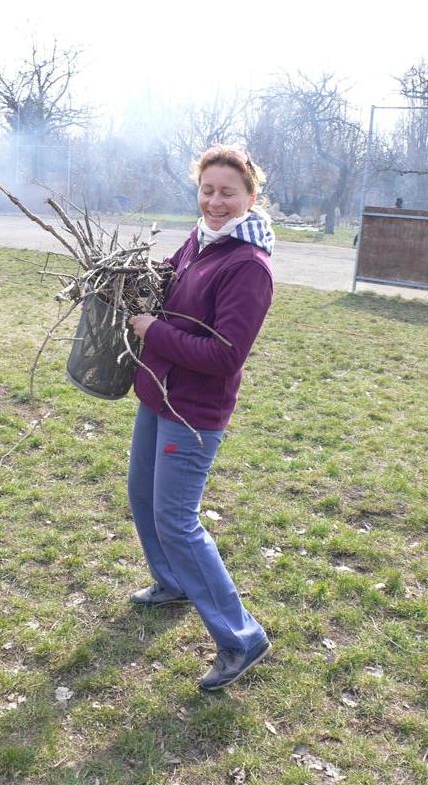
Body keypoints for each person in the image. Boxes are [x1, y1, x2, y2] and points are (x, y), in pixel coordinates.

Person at [127, 145, 274, 690]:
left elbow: (224, 355)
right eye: (207, 190)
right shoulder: (200, 241)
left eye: (227, 193)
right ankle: (172, 583)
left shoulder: (248, 265)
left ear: (250, 198)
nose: (215, 201)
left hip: (194, 410)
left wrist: (153, 330)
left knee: (177, 520)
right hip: (160, 393)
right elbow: (172, 284)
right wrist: (136, 278)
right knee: (143, 495)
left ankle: (241, 637)